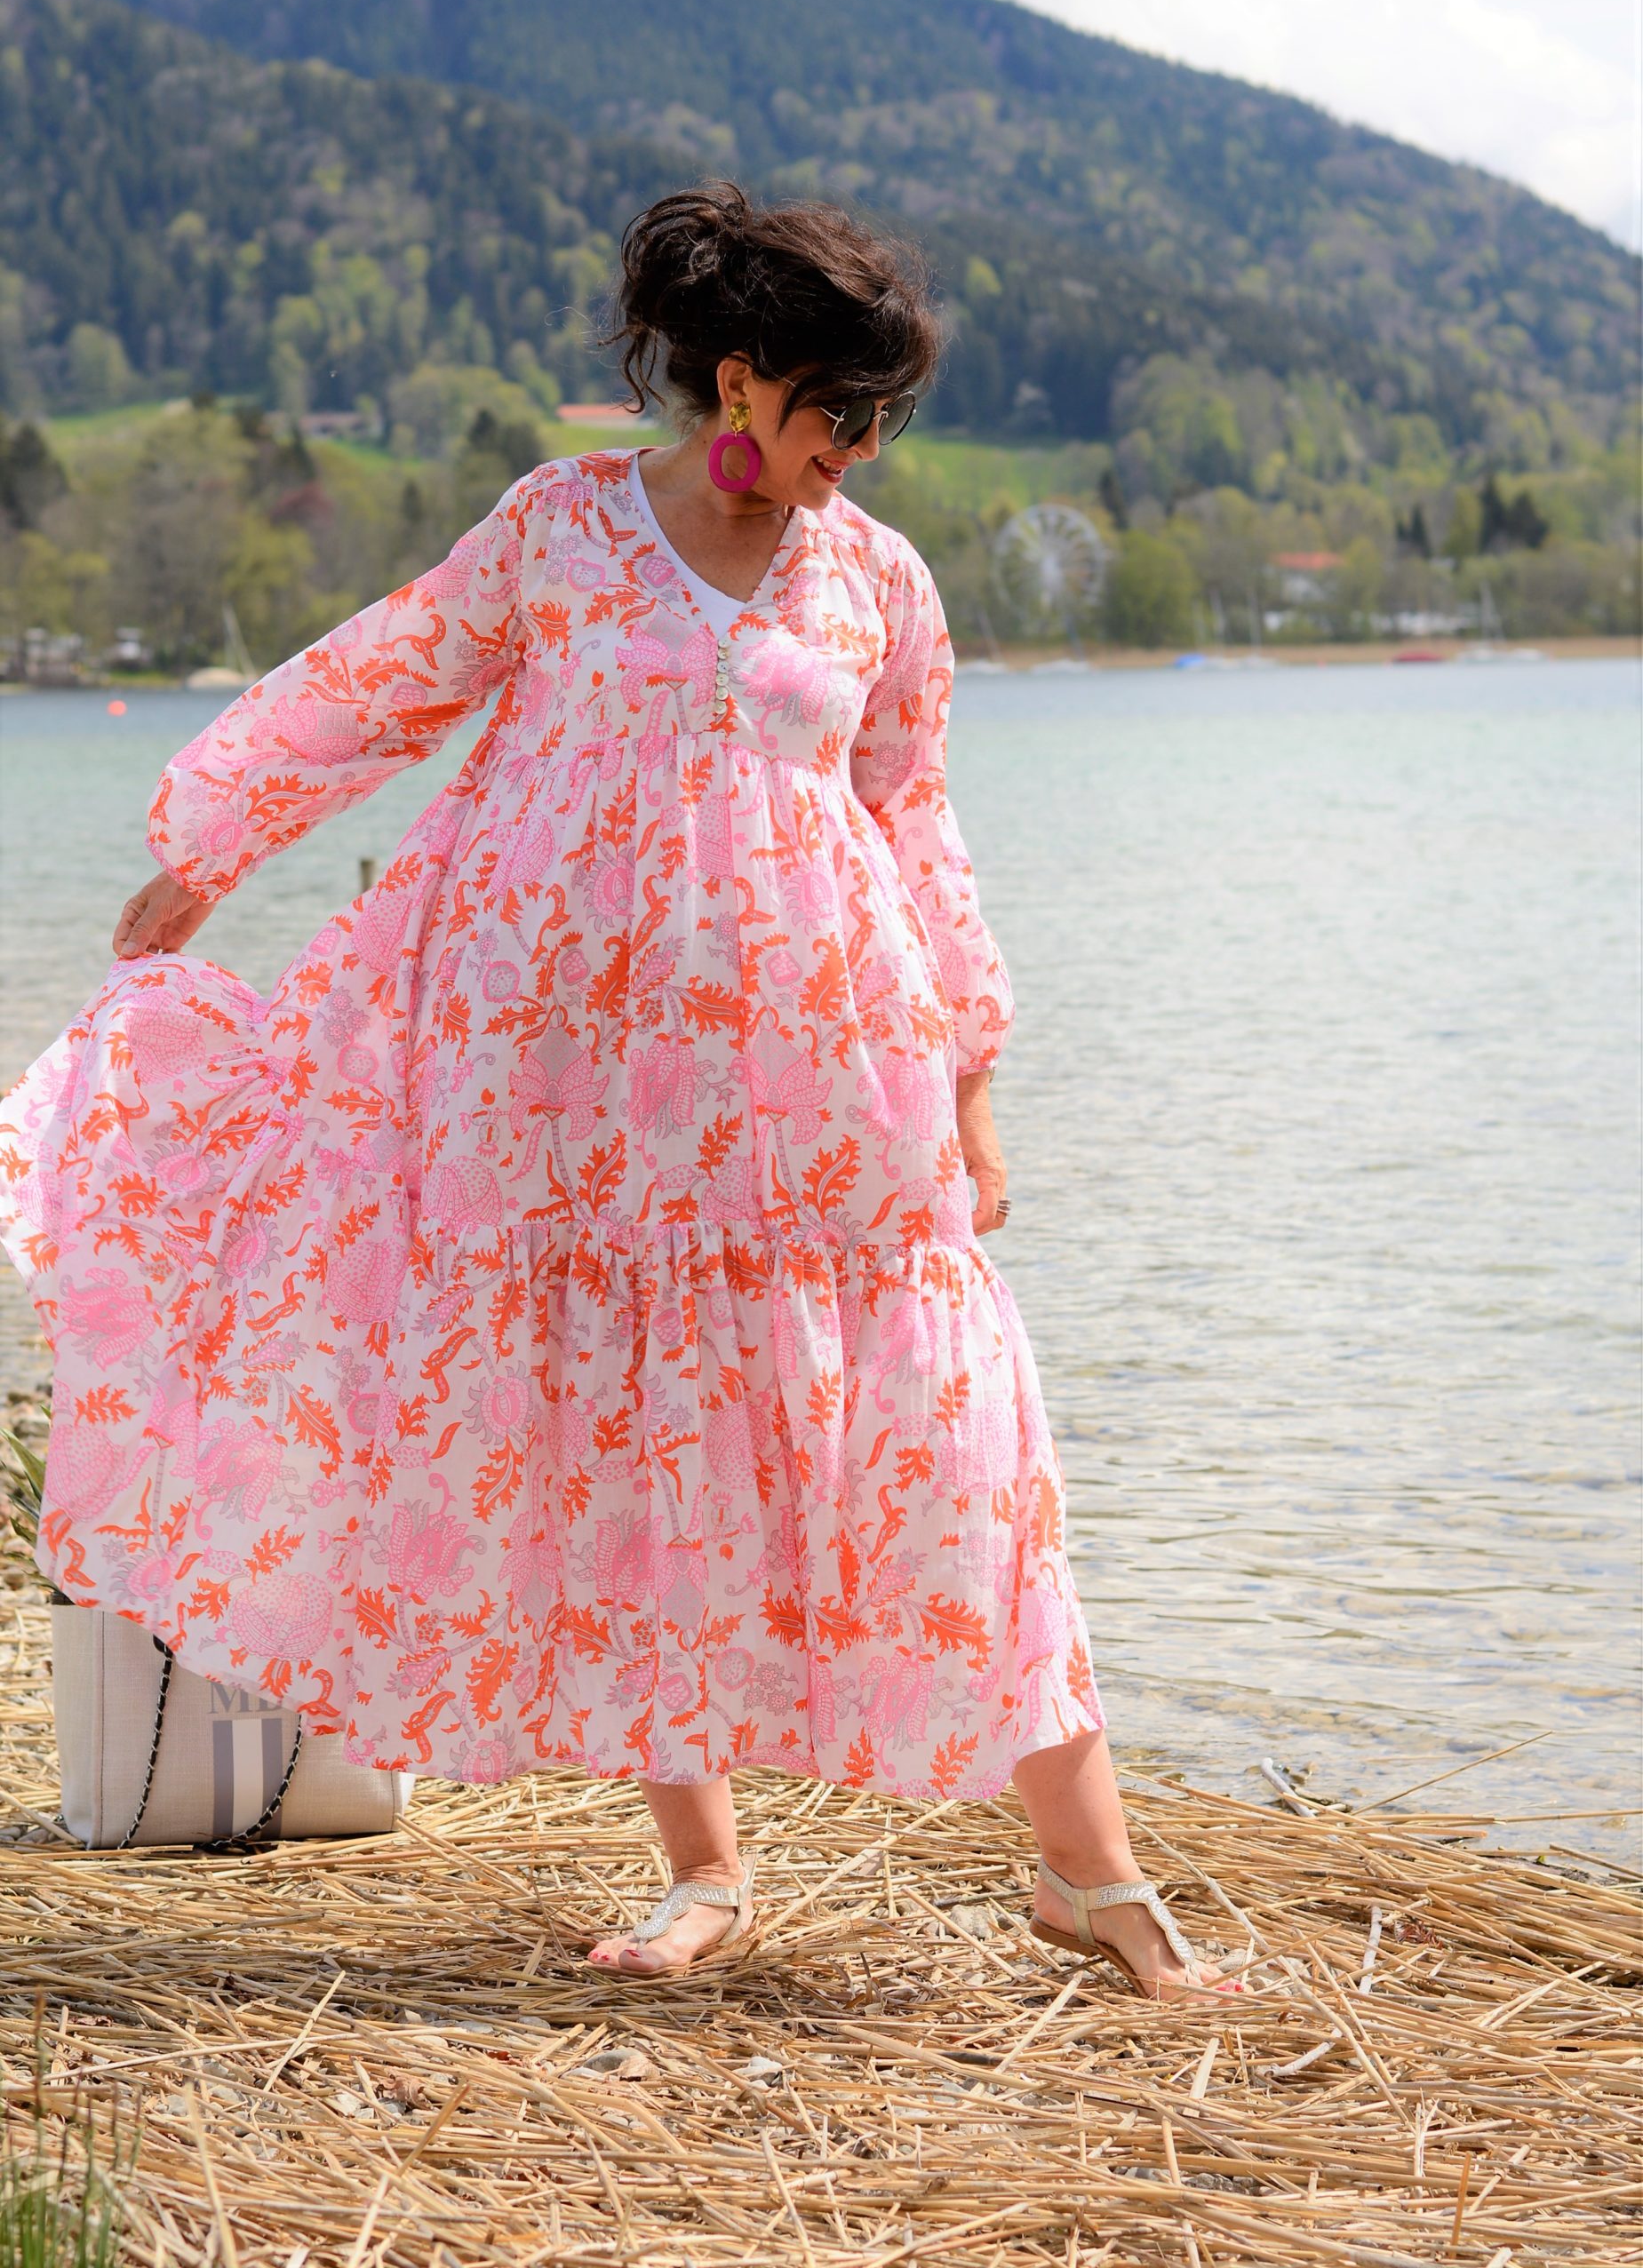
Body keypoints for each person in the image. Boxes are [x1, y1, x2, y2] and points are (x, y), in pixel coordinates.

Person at [0, 184, 1232, 1998]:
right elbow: (386, 678)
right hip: (562, 1092)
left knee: (950, 1438)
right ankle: (704, 1871)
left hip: (816, 1087)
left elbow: (914, 825)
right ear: (738, 379)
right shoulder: (563, 530)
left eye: (882, 420)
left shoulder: (879, 582)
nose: (857, 452)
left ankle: (1089, 1870)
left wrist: (970, 1081)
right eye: (836, 411)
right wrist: (212, 840)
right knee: (634, 1448)